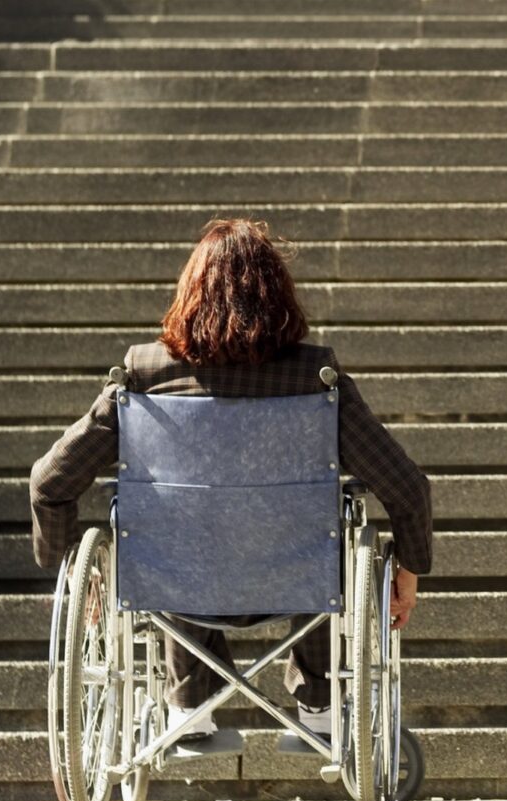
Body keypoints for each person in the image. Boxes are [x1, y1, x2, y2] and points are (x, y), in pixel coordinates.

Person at [30, 218, 433, 740]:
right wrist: (410, 571)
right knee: (319, 533)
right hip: (296, 580)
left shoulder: (144, 375)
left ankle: (189, 702)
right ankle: (320, 702)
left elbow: (49, 481)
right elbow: (406, 486)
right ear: (278, 296)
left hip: (183, 582)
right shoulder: (314, 378)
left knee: (174, 534)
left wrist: (77, 580)